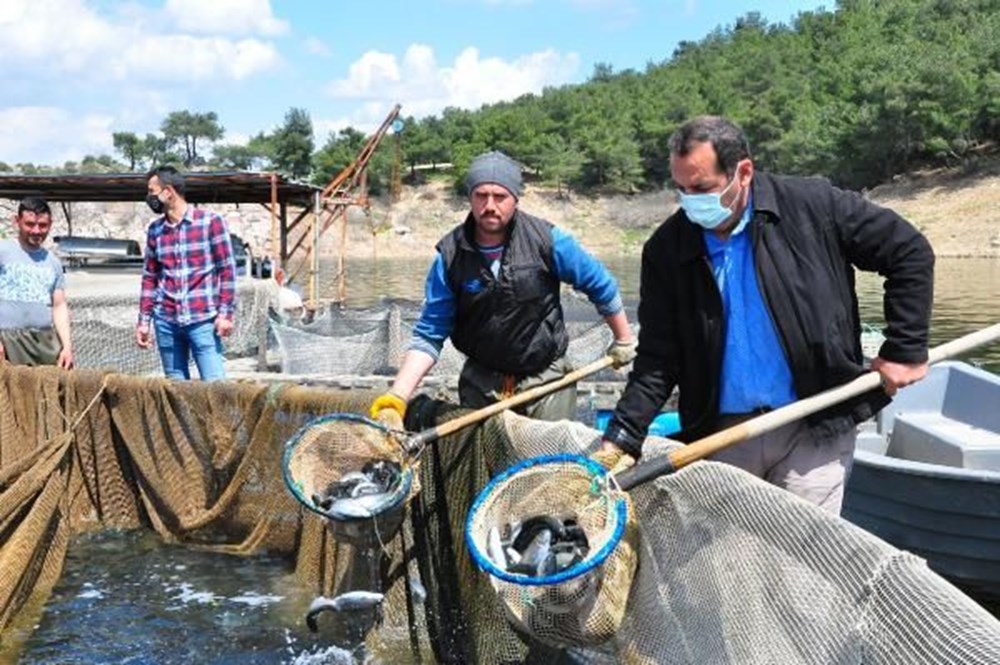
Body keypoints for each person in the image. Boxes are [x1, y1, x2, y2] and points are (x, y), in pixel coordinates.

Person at [594, 116, 934, 513]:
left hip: (815, 424)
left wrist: (905, 348)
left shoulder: (813, 206)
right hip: (723, 434)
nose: (691, 201)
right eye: (681, 190)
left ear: (744, 172)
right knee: (732, 560)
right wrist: (624, 433)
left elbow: (909, 252)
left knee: (805, 557)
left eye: (702, 188)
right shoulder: (666, 249)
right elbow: (657, 358)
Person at [370, 150, 636, 427]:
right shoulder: (449, 257)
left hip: (546, 378)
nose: (490, 205)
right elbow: (429, 334)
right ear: (470, 198)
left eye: (500, 197)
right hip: (481, 382)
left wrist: (623, 340)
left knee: (550, 466)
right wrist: (398, 396)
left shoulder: (547, 241)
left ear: (515, 200)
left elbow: (601, 286)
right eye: (481, 195)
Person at [136, 165, 236, 381]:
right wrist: (144, 322)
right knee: (176, 391)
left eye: (152, 191)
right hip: (166, 321)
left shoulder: (210, 222)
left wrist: (225, 315)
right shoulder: (155, 231)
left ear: (168, 192)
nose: (149, 197)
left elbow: (227, 270)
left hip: (202, 320)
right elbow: (150, 278)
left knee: (215, 388)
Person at [0, 197, 74, 368]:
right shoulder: (3, 251)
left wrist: (67, 347)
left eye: (42, 225)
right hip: (8, 341)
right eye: (29, 224)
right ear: (16, 221)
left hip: (44, 342)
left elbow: (59, 306)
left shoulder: (53, 262)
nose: (36, 231)